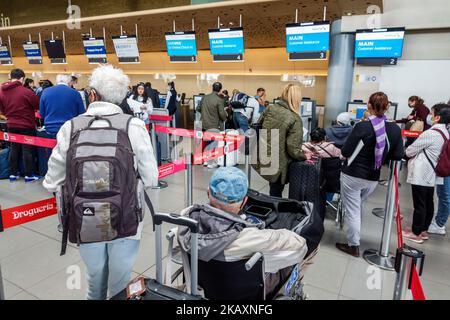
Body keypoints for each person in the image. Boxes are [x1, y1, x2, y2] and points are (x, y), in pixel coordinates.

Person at [43, 65, 159, 300]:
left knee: (94, 281)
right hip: (125, 218)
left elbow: (52, 180)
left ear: (92, 94)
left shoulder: (71, 127)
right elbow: (151, 178)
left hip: (85, 218)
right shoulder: (133, 125)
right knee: (119, 284)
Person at [177, 167, 307, 298]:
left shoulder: (186, 218)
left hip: (199, 286)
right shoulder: (250, 236)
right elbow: (300, 244)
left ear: (208, 192)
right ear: (244, 201)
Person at [336, 92, 404, 257]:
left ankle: (353, 246)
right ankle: (355, 237)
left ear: (368, 106)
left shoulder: (362, 127)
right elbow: (397, 155)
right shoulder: (394, 129)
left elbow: (346, 151)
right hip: (373, 178)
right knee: (358, 207)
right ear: (388, 107)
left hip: (352, 175)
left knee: (352, 210)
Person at [403, 104, 450, 243]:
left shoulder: (431, 133)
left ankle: (416, 233)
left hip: (422, 173)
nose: (429, 116)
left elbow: (410, 151)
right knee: (428, 202)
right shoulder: (445, 133)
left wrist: (406, 152)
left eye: (432, 113)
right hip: (433, 174)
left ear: (437, 117)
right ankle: (423, 230)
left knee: (420, 204)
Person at [254, 84, 306, 197]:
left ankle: (272, 208)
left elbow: (259, 126)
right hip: (279, 162)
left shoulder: (270, 108)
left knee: (273, 188)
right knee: (277, 190)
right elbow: (293, 149)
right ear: (297, 99)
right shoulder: (295, 118)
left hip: (265, 154)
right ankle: (276, 211)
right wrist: (305, 156)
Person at [38, 74, 86, 175]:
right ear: (69, 82)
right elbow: (81, 113)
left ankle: (52, 175)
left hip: (50, 130)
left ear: (56, 81)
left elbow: (41, 114)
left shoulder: (45, 92)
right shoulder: (74, 93)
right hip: (69, 129)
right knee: (67, 155)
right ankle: (68, 175)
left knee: (52, 154)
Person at [0, 69, 41, 182]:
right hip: (26, 125)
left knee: (14, 148)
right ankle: (29, 175)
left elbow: (2, 110)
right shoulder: (26, 92)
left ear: (11, 77)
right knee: (27, 149)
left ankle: (13, 173)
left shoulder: (2, 91)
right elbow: (37, 105)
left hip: (11, 124)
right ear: (22, 79)